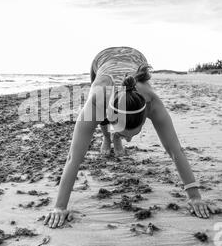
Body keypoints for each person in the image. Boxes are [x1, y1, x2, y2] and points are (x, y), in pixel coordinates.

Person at [44, 46, 218, 228]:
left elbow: (175, 150)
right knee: (100, 117)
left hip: (136, 58)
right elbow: (74, 157)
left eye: (132, 135)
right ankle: (108, 137)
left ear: (146, 115)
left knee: (118, 120)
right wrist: (59, 207)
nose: (130, 140)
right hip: (102, 60)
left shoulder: (151, 102)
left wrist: (195, 197)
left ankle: (116, 138)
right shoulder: (97, 100)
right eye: (124, 135)